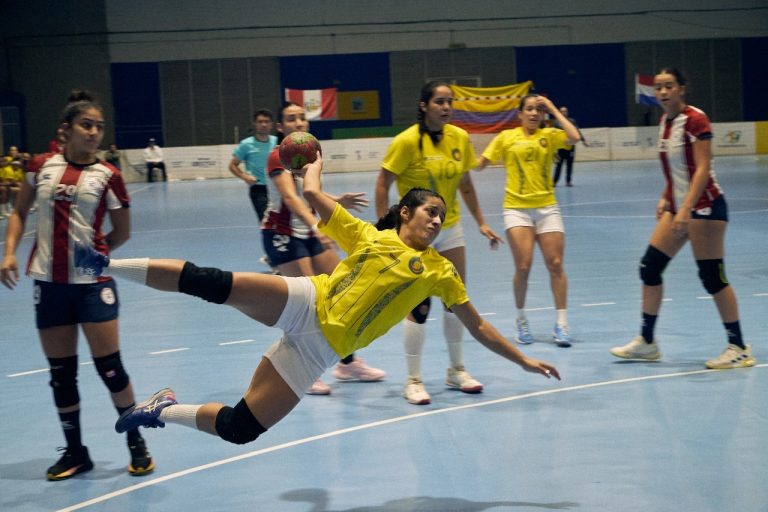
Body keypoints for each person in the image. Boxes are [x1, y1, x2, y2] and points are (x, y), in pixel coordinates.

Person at [72, 153, 561, 448]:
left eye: (441, 215)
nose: (436, 221)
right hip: (305, 301)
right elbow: (310, 190)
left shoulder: (440, 272)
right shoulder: (369, 236)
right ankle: (104, 264)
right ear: (405, 213)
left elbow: (477, 325)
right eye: (430, 211)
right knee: (211, 282)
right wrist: (314, 161)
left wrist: (522, 360)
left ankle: (160, 408)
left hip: (318, 352)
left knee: (241, 428)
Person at [0, 90, 156, 480]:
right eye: (86, 125)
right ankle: (75, 452)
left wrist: (96, 255)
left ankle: (135, 440)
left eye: (99, 127)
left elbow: (121, 232)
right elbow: (19, 212)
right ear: (65, 130)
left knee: (111, 368)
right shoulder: (40, 167)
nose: (94, 133)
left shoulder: (109, 176)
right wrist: (9, 253)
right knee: (61, 374)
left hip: (92, 285)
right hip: (49, 284)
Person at [610, 67, 755, 369]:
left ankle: (739, 347)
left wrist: (686, 208)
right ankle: (647, 342)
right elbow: (677, 169)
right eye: (658, 87)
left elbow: (702, 168)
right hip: (680, 207)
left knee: (712, 277)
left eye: (669, 86)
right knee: (650, 268)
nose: (663, 92)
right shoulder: (665, 121)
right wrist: (667, 196)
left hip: (705, 208)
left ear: (682, 89)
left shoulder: (696, 119)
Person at [375, 81, 502, 405]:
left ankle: (456, 370)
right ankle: (413, 379)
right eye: (439, 102)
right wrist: (386, 229)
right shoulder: (406, 142)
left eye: (450, 102)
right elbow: (383, 183)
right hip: (415, 235)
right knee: (418, 305)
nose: (446, 107)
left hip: (450, 228)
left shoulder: (459, 137)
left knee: (454, 299)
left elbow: (465, 183)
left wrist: (481, 222)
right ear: (424, 106)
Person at [262, 102, 385, 395]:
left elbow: (308, 192)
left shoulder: (310, 153)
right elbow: (291, 197)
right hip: (282, 234)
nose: (299, 122)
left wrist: (336, 200)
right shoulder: (278, 156)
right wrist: (318, 226)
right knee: (307, 303)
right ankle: (301, 370)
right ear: (281, 127)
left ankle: (347, 363)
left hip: (306, 231)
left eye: (302, 117)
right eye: (291, 119)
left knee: (343, 288)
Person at [476, 94, 581, 348]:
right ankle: (521, 319)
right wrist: (459, 157)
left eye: (538, 110)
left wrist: (553, 108)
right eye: (530, 109)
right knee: (523, 267)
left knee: (556, 264)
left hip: (547, 208)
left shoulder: (550, 135)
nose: (534, 114)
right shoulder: (506, 137)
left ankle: (562, 323)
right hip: (517, 209)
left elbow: (574, 137)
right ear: (520, 113)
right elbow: (480, 164)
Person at [229, 109, 278, 223]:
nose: (263, 125)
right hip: (259, 190)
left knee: (281, 223)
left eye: (266, 121)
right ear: (255, 124)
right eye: (260, 122)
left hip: (278, 188)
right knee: (267, 222)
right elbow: (232, 165)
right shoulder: (246, 144)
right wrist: (244, 176)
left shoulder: (277, 142)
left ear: (271, 124)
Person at [551, 106, 586, 187]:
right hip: (561, 148)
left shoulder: (572, 121)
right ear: (560, 113)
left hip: (571, 148)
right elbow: (553, 135)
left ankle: (568, 181)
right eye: (562, 111)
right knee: (559, 165)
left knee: (569, 165)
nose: (564, 113)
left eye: (565, 111)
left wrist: (583, 140)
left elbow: (577, 131)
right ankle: (554, 182)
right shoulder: (556, 123)